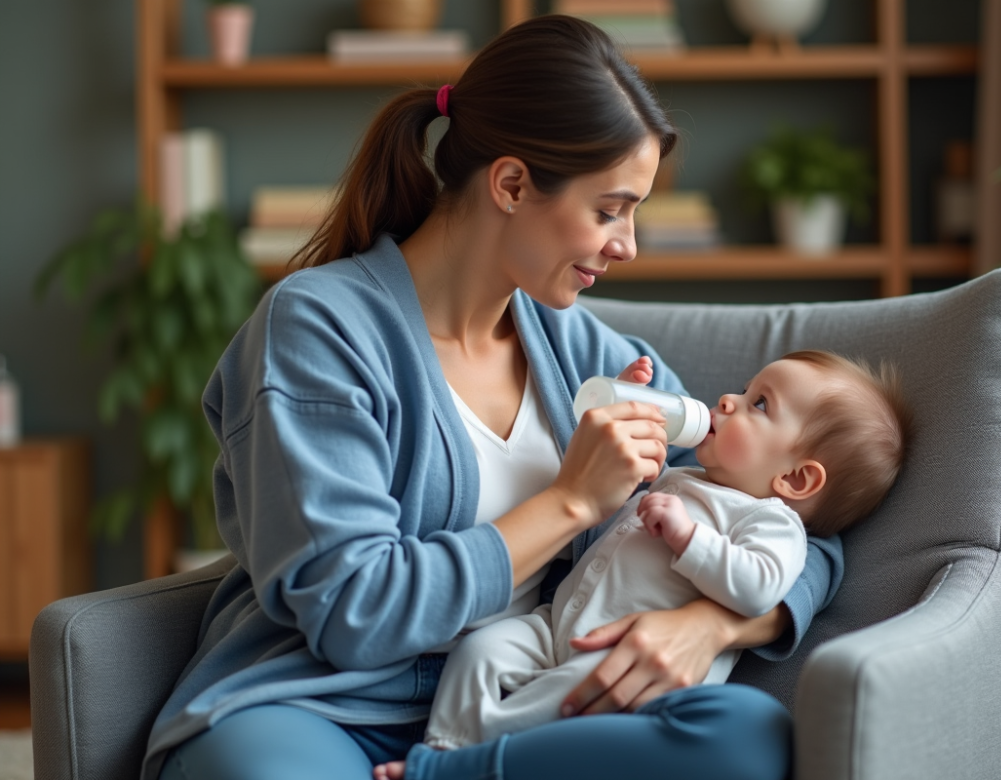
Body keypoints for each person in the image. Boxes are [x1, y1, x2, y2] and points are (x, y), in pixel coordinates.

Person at [146, 14, 846, 780]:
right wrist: (572, 502)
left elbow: (799, 514)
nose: (629, 245)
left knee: (748, 736)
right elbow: (353, 612)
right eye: (609, 210)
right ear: (512, 184)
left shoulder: (583, 351)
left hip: (518, 716)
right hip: (323, 709)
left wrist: (712, 624)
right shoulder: (320, 329)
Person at [406, 351, 907, 765]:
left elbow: (760, 585)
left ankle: (459, 765)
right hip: (556, 625)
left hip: (620, 657)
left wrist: (689, 538)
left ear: (796, 479)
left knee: (565, 699)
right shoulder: (688, 477)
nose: (729, 400)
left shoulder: (771, 523)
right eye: (745, 387)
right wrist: (621, 424)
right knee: (483, 651)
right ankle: (442, 742)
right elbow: (607, 489)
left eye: (759, 404)